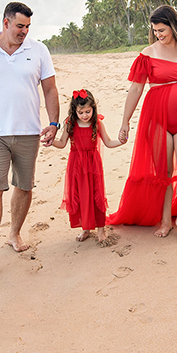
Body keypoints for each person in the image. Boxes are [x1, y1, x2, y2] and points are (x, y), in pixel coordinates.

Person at [0, 2, 60, 266]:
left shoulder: (39, 50)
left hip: (29, 132)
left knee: (24, 186)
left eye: (28, 27)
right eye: (19, 26)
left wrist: (54, 123)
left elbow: (50, 89)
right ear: (5, 23)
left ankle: (14, 234)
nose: (24, 31)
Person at [107, 5, 177, 238]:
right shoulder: (148, 54)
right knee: (164, 174)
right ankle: (166, 220)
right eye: (155, 30)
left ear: (174, 26)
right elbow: (135, 89)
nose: (158, 34)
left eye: (162, 29)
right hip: (156, 120)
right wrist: (125, 121)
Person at [51, 88, 125, 244]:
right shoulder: (70, 124)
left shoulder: (97, 123)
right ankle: (85, 227)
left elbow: (109, 142)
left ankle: (100, 230)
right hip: (76, 165)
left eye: (88, 111)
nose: (85, 115)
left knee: (96, 193)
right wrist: (51, 141)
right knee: (81, 194)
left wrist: (121, 141)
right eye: (81, 112)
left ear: (93, 109)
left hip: (93, 164)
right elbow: (62, 143)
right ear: (75, 111)